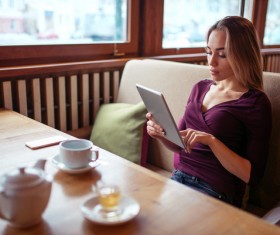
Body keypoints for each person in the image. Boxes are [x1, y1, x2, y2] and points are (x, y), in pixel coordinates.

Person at [146, 16, 272, 207]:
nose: (211, 62)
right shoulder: (200, 88)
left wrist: (211, 141)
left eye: (222, 55)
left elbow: (252, 176)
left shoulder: (255, 103)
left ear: (243, 54)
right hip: (178, 179)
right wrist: (161, 133)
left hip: (215, 191)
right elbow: (179, 144)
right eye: (208, 52)